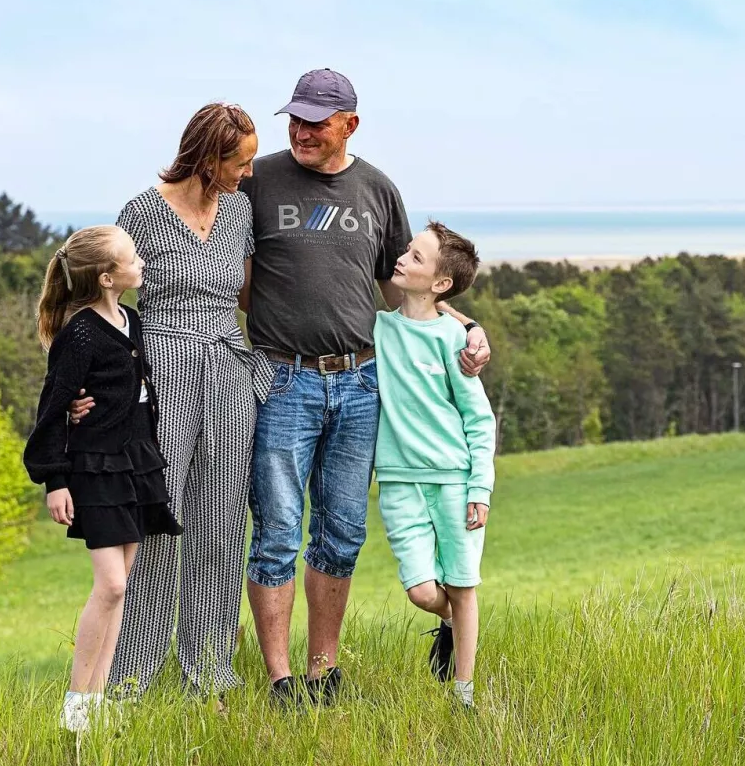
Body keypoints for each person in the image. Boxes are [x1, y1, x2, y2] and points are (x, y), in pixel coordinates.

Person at [241, 69, 491, 707]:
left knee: (342, 529)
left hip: (359, 382)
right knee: (276, 530)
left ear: (349, 124)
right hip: (280, 378)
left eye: (315, 123)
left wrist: (470, 328)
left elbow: (404, 287)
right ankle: (280, 680)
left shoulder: (378, 189)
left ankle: (324, 673)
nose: (301, 132)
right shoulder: (259, 180)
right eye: (294, 119)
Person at [94, 103, 264, 698]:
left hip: (227, 373)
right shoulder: (140, 212)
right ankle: (132, 673)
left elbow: (249, 294)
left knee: (220, 520)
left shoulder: (240, 209)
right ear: (207, 157)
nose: (247, 173)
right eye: (239, 163)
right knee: (158, 513)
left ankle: (209, 669)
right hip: (161, 371)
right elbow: (101, 297)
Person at [22, 224, 183, 733]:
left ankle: (98, 699)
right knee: (110, 584)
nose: (142, 264)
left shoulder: (130, 320)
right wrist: (56, 480)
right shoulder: (80, 333)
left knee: (122, 588)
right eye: (134, 258)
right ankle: (75, 702)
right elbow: (52, 404)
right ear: (109, 277)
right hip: (94, 466)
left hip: (135, 461)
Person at [372, 222, 495, 709]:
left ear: (440, 283)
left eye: (416, 258)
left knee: (462, 585)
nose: (402, 259)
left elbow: (478, 420)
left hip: (454, 482)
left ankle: (463, 692)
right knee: (423, 591)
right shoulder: (379, 328)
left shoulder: (454, 342)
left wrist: (479, 490)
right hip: (399, 481)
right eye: (407, 251)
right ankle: (448, 623)